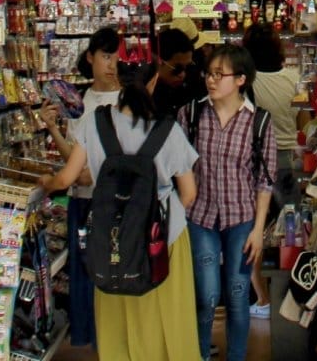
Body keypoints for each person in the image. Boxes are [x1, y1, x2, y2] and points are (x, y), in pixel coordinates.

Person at [39, 54, 199, 361]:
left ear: (117, 80)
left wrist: (46, 182)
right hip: (163, 238)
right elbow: (189, 194)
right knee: (166, 314)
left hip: (110, 232)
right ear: (154, 81)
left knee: (117, 314)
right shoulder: (169, 130)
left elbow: (67, 178)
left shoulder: (94, 123)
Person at [179, 44, 277, 361]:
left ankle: (236, 356)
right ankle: (200, 354)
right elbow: (178, 166)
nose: (211, 80)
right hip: (199, 218)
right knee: (206, 297)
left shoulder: (259, 122)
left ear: (241, 80)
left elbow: (265, 180)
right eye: (209, 73)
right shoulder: (191, 114)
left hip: (242, 220)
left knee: (237, 297)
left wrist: (258, 229)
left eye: (220, 74)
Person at [38, 27, 122, 351]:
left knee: (114, 273)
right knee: (85, 272)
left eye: (115, 57)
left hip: (115, 203)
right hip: (83, 201)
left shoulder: (127, 100)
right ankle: (91, 338)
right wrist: (51, 127)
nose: (111, 63)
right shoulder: (79, 103)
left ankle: (113, 341)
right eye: (105, 56)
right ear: (90, 57)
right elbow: (72, 157)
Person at [241, 22, 303, 315]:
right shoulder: (293, 78)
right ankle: (293, 295)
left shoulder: (246, 82)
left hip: (255, 162)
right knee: (292, 230)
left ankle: (262, 298)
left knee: (254, 230)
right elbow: (303, 119)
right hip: (288, 157)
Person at [153, 24, 206, 117]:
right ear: (159, 62)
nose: (183, 74)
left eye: (188, 67)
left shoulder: (193, 87)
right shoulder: (145, 93)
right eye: (178, 69)